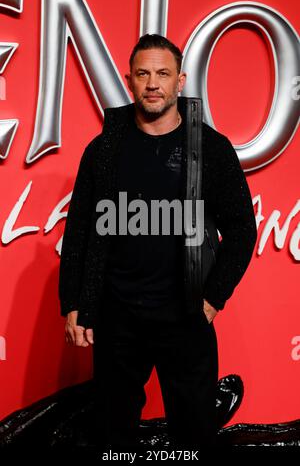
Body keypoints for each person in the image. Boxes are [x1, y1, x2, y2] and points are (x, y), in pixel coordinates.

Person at [59, 34, 257, 451]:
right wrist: (75, 303)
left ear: (180, 81)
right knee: (114, 436)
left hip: (186, 316)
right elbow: (79, 230)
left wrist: (213, 297)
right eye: (143, 73)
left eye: (163, 74)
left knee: (194, 436)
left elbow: (241, 229)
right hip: (117, 317)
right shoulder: (104, 150)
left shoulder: (212, 150)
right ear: (130, 80)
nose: (153, 83)